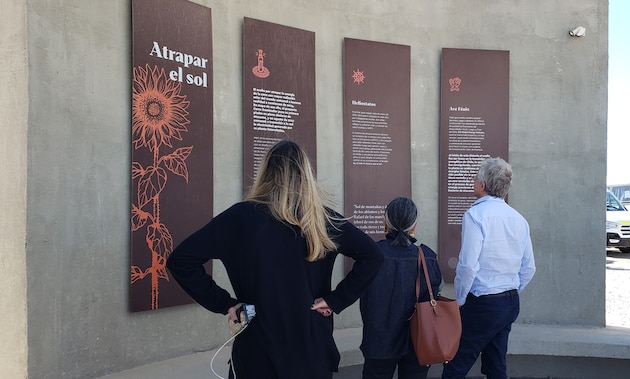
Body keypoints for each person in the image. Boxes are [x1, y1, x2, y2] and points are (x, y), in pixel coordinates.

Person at [166, 140, 384, 379]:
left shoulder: (240, 217)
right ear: (305, 175)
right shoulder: (321, 219)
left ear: (266, 173)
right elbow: (372, 256)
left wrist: (226, 304)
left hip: (257, 350)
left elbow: (181, 260)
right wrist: (335, 300)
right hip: (310, 350)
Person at [441, 157, 536, 379]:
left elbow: (467, 266)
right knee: (496, 365)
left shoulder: (475, 215)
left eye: (476, 177)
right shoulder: (519, 219)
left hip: (483, 304)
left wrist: (461, 300)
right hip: (510, 302)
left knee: (456, 365)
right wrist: (510, 290)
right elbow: (529, 267)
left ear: (482, 185)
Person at [359, 197, 442, 379]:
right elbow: (434, 293)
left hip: (379, 340)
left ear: (384, 221)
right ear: (414, 226)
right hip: (419, 339)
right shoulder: (427, 257)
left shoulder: (371, 255)